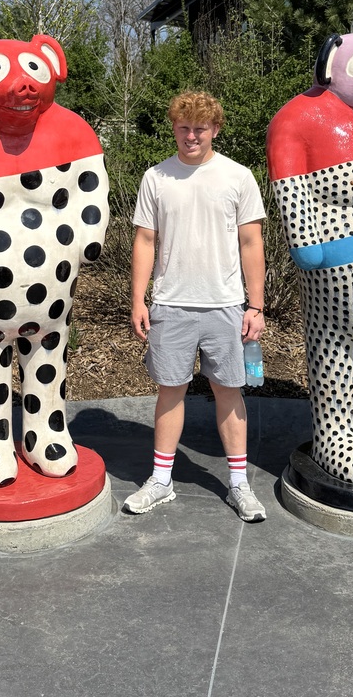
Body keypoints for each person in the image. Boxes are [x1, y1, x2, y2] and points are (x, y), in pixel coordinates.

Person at [125, 91, 267, 521]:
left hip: (225, 305)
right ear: (174, 127)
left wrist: (255, 306)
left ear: (215, 129)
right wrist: (138, 299)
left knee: (229, 392)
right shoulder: (156, 178)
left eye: (200, 128)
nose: (191, 136)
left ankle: (240, 486)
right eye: (184, 127)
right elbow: (145, 240)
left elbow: (251, 241)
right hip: (170, 304)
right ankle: (161, 481)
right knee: (170, 392)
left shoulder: (237, 177)